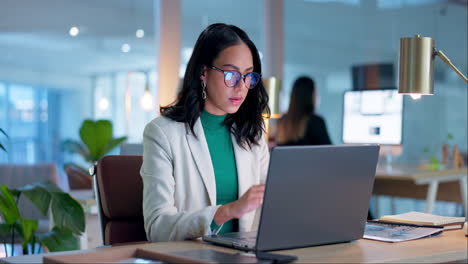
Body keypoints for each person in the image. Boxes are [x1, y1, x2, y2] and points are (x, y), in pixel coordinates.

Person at [140, 23, 270, 242]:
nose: (241, 87)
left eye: (248, 76)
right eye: (231, 75)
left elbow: (275, 201)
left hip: (246, 256)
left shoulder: (252, 135)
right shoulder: (162, 134)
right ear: (203, 72)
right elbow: (157, 227)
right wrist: (227, 211)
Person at [276, 76, 332, 146]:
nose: (318, 96)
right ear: (311, 96)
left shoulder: (282, 121)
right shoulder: (316, 122)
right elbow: (329, 152)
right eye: (316, 93)